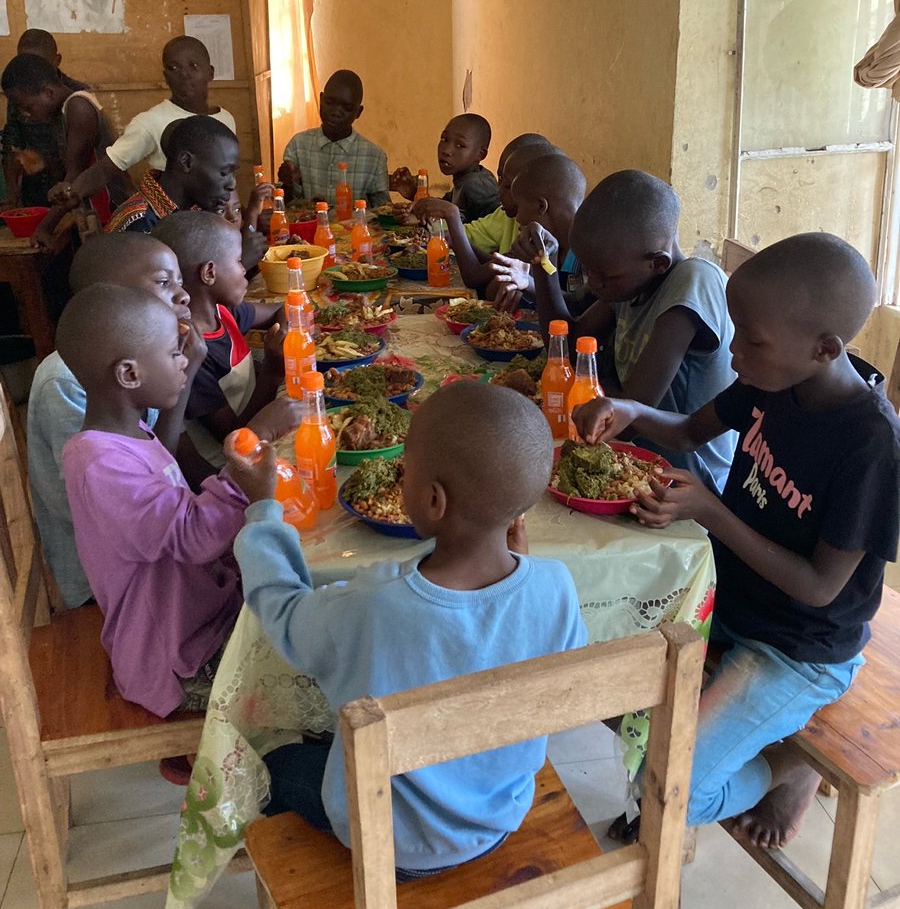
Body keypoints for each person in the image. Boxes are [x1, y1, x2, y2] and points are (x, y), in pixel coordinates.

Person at [573, 233, 900, 849]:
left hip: (801, 645)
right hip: (729, 595)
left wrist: (711, 511)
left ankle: (785, 771)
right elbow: (688, 431)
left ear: (825, 348)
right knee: (598, 658)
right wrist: (630, 410)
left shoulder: (871, 445)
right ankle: (703, 745)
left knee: (672, 786)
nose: (734, 351)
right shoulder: (773, 377)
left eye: (750, 339)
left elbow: (820, 588)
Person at [233, 379, 586, 875]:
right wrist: (522, 568)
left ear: (434, 501)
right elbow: (557, 677)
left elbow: (283, 613)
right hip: (496, 818)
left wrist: (262, 510)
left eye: (405, 472)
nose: (400, 482)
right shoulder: (556, 585)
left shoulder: (374, 604)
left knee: (277, 765)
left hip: (392, 842)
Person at [57, 284, 269, 717]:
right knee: (321, 678)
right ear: (129, 374)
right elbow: (191, 535)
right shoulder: (100, 464)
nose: (184, 361)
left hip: (205, 616)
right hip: (178, 658)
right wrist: (252, 448)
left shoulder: (130, 433)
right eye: (174, 353)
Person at [515, 170, 736, 491]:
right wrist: (543, 266)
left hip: (689, 484)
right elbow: (567, 347)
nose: (592, 283)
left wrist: (587, 385)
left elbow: (629, 419)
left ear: (657, 263)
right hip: (635, 462)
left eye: (603, 275)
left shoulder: (694, 282)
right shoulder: (629, 283)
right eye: (586, 269)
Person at [27, 232, 201, 608]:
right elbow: (105, 509)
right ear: (109, 299)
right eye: (163, 282)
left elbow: (158, 458)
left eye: (180, 281)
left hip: (156, 537)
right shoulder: (65, 380)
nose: (183, 295)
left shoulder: (150, 356)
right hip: (113, 581)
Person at [154, 210, 298, 469]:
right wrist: (272, 373)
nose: (244, 270)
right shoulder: (189, 354)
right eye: (239, 261)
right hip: (232, 469)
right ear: (209, 272)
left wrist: (286, 329)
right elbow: (235, 438)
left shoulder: (222, 312)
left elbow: (281, 308)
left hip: (264, 434)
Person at [48, 35, 237, 212]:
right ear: (165, 77)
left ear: (210, 72)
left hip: (218, 218)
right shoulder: (150, 122)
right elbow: (106, 169)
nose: (184, 74)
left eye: (193, 66)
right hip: (175, 220)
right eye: (173, 68)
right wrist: (74, 192)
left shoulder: (226, 119)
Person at [0, 53, 128, 246]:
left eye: (28, 107)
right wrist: (44, 163)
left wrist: (44, 228)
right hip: (95, 213)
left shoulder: (79, 107)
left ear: (48, 93)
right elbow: (73, 168)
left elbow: (74, 180)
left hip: (113, 213)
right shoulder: (62, 112)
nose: (25, 114)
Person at [413, 133, 555, 296]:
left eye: (508, 185)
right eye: (499, 179)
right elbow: (495, 263)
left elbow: (475, 277)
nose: (498, 192)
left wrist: (452, 215)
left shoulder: (538, 234)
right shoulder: (509, 216)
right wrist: (452, 237)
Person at [105, 115, 239, 234]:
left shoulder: (198, 209)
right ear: (186, 162)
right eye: (224, 173)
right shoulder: (138, 224)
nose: (232, 184)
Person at [489, 152, 588, 311]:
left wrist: (529, 284)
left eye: (519, 208)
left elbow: (579, 307)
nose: (518, 218)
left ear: (541, 206)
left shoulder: (589, 252)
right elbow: (492, 291)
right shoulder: (543, 243)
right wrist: (523, 281)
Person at [278, 69, 389, 207]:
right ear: (321, 100)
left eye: (346, 107)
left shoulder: (374, 157)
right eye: (330, 102)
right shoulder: (298, 146)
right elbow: (286, 206)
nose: (335, 112)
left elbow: (382, 210)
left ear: (358, 112)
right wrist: (287, 184)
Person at [1, 30, 87, 207]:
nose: (27, 70)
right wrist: (12, 190)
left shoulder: (78, 100)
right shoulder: (22, 95)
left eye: (36, 63)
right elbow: (11, 143)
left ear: (56, 61)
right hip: (34, 194)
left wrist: (45, 162)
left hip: (73, 195)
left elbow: (80, 168)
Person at [392, 114, 500, 223]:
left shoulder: (476, 186)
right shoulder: (464, 179)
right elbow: (443, 208)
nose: (446, 151)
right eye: (444, 139)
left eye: (460, 145)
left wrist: (423, 220)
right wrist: (414, 194)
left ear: (480, 154)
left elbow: (492, 227)